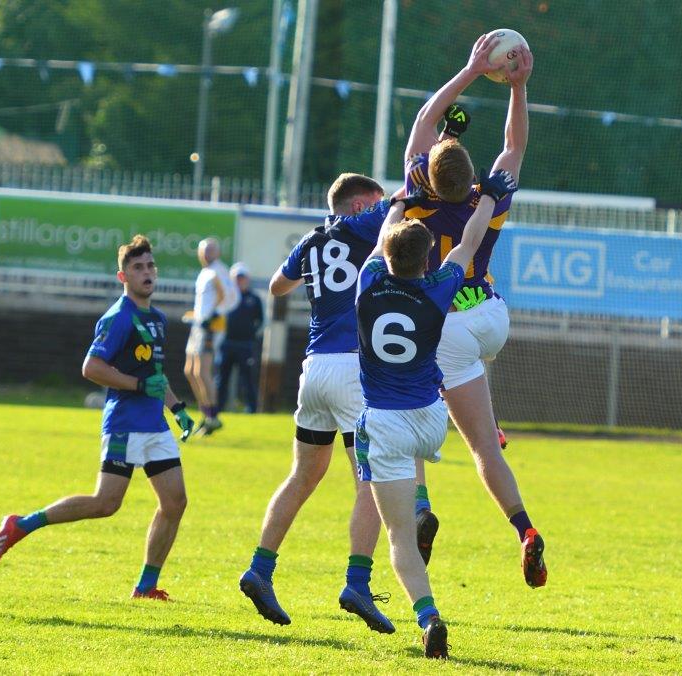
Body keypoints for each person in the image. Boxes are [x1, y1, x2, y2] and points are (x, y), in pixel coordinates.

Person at [355, 168, 519, 659]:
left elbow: (384, 240)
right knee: (432, 432)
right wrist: (488, 197)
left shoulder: (366, 282)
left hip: (384, 421)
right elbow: (468, 243)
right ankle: (423, 499)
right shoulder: (439, 287)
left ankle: (428, 616)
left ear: (385, 255)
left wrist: (400, 204)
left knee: (399, 535)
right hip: (430, 420)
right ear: (427, 258)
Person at [401, 33, 545, 587]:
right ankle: (526, 532)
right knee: (485, 438)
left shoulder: (416, 192)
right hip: (490, 315)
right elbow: (515, 143)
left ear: (428, 170)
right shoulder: (490, 192)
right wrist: (519, 88)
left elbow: (424, 118)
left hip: (447, 327)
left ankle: (419, 507)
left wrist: (469, 70)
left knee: (404, 411)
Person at [0, 235, 195, 600]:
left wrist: (176, 408)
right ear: (123, 277)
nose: (146, 273)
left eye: (149, 266)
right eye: (137, 268)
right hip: (124, 426)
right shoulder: (118, 318)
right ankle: (21, 525)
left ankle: (146, 587)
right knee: (105, 504)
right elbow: (91, 367)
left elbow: (155, 377)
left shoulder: (158, 319)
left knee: (175, 502)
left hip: (155, 427)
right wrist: (135, 385)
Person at [238, 173, 397, 633]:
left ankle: (260, 570)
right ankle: (357, 584)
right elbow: (404, 203)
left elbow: (276, 286)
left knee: (303, 475)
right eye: (373, 203)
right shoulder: (366, 225)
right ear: (356, 205)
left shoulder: (312, 238)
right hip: (353, 371)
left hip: (315, 370)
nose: (380, 208)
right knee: (372, 479)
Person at [183, 237, 238, 436]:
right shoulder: (205, 272)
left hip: (210, 327)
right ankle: (206, 414)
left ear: (218, 253)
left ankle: (213, 416)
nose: (207, 254)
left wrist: (215, 314)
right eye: (204, 250)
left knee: (202, 371)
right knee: (190, 371)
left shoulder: (218, 270)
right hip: (199, 325)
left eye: (211, 250)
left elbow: (232, 297)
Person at [217, 262, 264, 414]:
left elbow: (261, 321)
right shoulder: (226, 297)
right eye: (237, 278)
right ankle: (217, 408)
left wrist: (251, 334)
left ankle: (251, 408)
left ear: (247, 279)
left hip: (246, 345)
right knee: (222, 378)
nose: (240, 281)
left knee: (248, 379)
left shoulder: (254, 299)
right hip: (227, 343)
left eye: (242, 277)